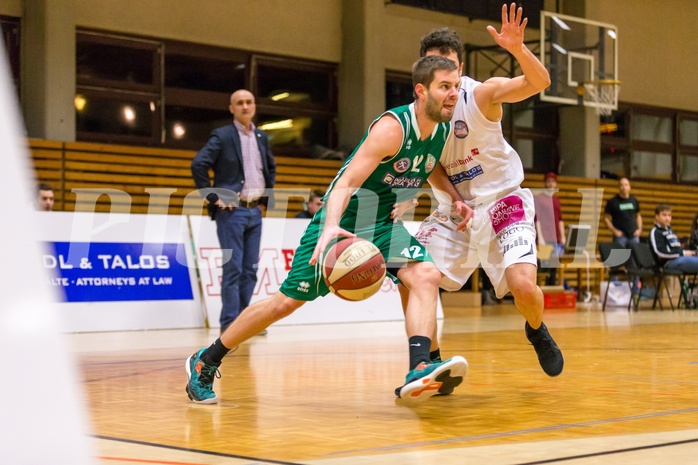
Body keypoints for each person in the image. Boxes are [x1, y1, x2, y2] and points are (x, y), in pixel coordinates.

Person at [185, 55, 470, 405]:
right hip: (343, 224)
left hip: (381, 223)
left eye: (456, 86)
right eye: (445, 87)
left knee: (424, 275)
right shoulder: (392, 128)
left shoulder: (441, 128)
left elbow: (429, 165)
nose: (454, 94)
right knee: (285, 302)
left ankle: (423, 366)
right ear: (421, 90)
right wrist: (331, 225)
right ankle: (206, 360)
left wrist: (453, 197)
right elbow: (346, 181)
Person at [410, 4, 564, 377]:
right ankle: (430, 359)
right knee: (414, 273)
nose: (444, 76)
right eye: (434, 68)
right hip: (456, 208)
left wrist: (518, 50)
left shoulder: (482, 96)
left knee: (523, 287)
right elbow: (431, 166)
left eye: (450, 68)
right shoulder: (420, 114)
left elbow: (539, 82)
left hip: (503, 201)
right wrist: (457, 200)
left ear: (460, 70)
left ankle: (536, 330)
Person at [191, 89, 277, 333]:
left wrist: (264, 200)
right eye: (240, 103)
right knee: (233, 268)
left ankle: (245, 322)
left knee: (250, 270)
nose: (245, 106)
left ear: (254, 106)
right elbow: (198, 164)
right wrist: (212, 196)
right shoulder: (222, 135)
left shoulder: (261, 136)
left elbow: (270, 167)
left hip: (254, 211)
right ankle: (230, 324)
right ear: (231, 108)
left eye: (249, 102)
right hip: (231, 213)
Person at [533, 172, 565, 286]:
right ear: (545, 183)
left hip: (555, 238)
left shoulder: (556, 199)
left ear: (556, 184)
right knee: (543, 266)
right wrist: (540, 237)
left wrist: (563, 236)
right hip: (544, 237)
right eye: (548, 181)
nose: (551, 184)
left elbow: (560, 219)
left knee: (553, 266)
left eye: (553, 182)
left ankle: (551, 292)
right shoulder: (539, 198)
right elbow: (537, 219)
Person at [649, 204, 698, 274]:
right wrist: (683, 253)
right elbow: (660, 253)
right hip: (668, 263)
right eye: (664, 215)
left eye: (669, 215)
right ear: (657, 217)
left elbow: (677, 249)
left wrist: (691, 253)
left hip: (679, 259)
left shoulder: (671, 232)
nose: (667, 218)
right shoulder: (656, 232)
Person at [604, 177, 642, 248]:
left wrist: (639, 229)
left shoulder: (634, 200)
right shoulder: (612, 201)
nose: (624, 187)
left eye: (626, 185)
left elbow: (638, 216)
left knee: (635, 257)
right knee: (620, 257)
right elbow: (606, 218)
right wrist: (614, 231)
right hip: (620, 236)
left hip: (633, 235)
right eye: (622, 185)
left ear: (629, 187)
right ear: (619, 187)